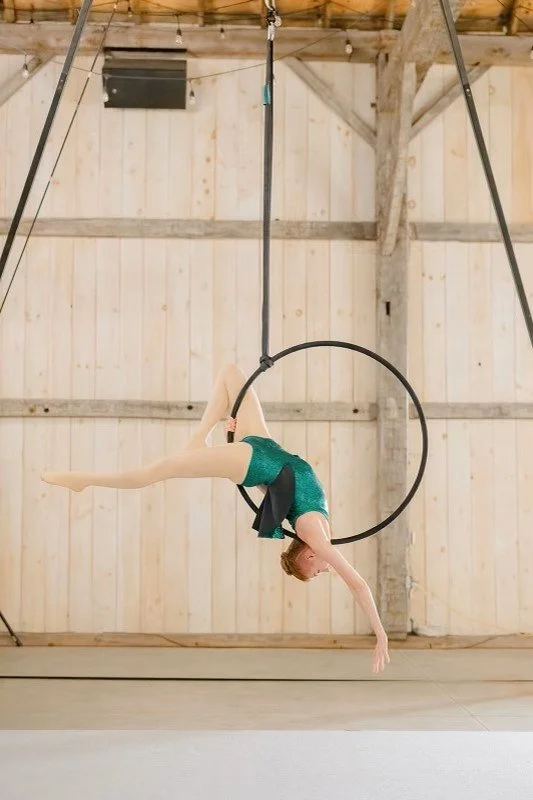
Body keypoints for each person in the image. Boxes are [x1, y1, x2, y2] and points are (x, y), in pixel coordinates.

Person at [42, 364, 390, 674]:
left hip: (259, 456)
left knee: (163, 468)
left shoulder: (310, 530)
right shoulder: (315, 533)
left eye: (317, 573)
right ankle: (193, 439)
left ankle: (90, 477)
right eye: (317, 572)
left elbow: (282, 493)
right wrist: (381, 635)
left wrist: (230, 452)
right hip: (259, 453)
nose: (324, 570)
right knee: (230, 375)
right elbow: (358, 584)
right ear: (309, 555)